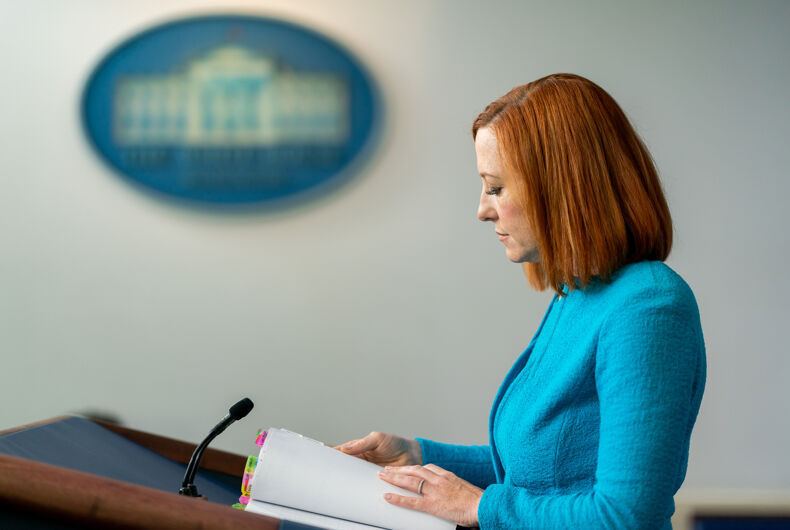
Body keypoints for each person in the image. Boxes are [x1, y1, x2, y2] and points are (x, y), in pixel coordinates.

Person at [337, 73, 706, 529]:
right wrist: (418, 456)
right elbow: (540, 475)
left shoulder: (647, 309)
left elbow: (623, 516)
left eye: (495, 187)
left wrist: (477, 507)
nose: (482, 209)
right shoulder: (580, 294)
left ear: (560, 185)